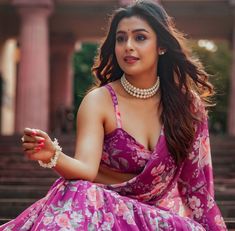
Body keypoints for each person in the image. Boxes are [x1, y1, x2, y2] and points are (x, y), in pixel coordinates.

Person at [0, 0, 227, 230]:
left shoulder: (187, 106)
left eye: (140, 37)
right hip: (101, 212)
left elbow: (197, 188)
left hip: (157, 218)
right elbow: (86, 170)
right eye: (121, 38)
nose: (128, 46)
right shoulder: (99, 101)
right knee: (81, 190)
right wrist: (52, 155)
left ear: (161, 45)